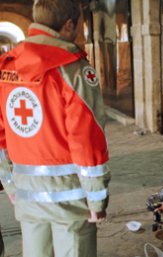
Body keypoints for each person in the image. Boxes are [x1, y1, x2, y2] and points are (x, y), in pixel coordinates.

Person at [0, 1, 110, 256]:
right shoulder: (73, 69)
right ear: (69, 24)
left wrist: (10, 184)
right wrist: (96, 199)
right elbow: (86, 139)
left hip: (27, 197)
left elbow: (2, 136)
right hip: (69, 200)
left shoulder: (7, 68)